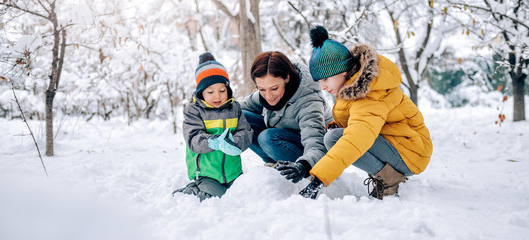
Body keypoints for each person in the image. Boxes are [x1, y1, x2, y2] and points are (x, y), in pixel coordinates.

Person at [299, 26, 433, 200]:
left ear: (343, 71)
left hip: (411, 153)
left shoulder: (369, 94)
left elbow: (356, 138)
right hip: (403, 145)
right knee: (334, 136)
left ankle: (390, 180)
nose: (323, 87)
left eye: (325, 79)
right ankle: (387, 175)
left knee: (335, 139)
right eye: (319, 81)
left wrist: (318, 180)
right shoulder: (353, 87)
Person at [241, 51, 333, 183]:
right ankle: (274, 162)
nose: (268, 96)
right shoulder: (267, 94)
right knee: (241, 118)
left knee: (268, 137)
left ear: (287, 78)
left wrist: (304, 165)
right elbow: (240, 107)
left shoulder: (309, 101)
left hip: (312, 156)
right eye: (262, 89)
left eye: (274, 88)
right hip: (286, 140)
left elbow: (316, 142)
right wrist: (208, 112)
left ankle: (296, 167)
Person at [173, 53, 253, 201]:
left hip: (233, 172)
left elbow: (246, 132)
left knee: (242, 194)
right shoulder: (194, 111)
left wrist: (235, 142)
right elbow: (193, 138)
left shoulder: (234, 108)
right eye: (210, 92)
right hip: (206, 172)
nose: (217, 96)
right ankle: (192, 191)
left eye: (222, 91)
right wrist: (212, 141)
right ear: (201, 92)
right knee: (215, 196)